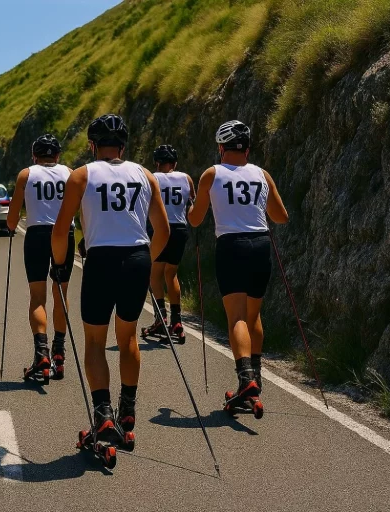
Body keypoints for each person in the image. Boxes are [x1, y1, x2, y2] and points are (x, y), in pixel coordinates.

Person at [51, 114, 169, 444]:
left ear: (92, 145)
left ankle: (103, 415)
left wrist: (60, 265)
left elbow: (61, 230)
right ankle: (127, 410)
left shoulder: (81, 176)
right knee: (128, 337)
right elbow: (163, 230)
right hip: (137, 258)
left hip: (101, 259)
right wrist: (147, 261)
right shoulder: (146, 175)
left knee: (94, 342)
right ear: (124, 146)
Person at [187, 120, 288, 414]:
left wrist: (190, 207)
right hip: (261, 244)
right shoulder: (262, 174)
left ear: (221, 148)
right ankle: (256, 379)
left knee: (236, 318)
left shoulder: (212, 174)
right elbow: (281, 217)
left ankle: (245, 378)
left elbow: (195, 220)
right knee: (254, 314)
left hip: (231, 246)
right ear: (247, 149)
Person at [6, 134, 75, 381]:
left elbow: (12, 219)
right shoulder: (69, 172)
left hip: (36, 234)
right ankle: (59, 352)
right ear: (57, 155)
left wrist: (11, 227)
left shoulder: (27, 174)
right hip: (64, 234)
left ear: (34, 156)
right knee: (61, 294)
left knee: (38, 297)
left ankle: (41, 354)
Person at [141, 144, 195, 344]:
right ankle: (177, 320)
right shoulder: (186, 178)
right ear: (175, 163)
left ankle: (160, 317)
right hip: (180, 230)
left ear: (156, 162)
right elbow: (191, 203)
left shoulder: (150, 178)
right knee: (171, 274)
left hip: (158, 228)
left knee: (154, 273)